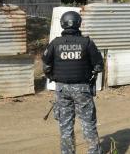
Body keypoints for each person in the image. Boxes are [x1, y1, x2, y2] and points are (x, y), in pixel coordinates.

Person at [42, 11, 104, 154]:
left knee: (65, 125)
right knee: (88, 123)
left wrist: (54, 76)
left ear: (62, 24)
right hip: (82, 89)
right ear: (78, 23)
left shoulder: (55, 43)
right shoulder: (87, 42)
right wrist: (91, 74)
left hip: (62, 90)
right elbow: (99, 65)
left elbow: (46, 66)